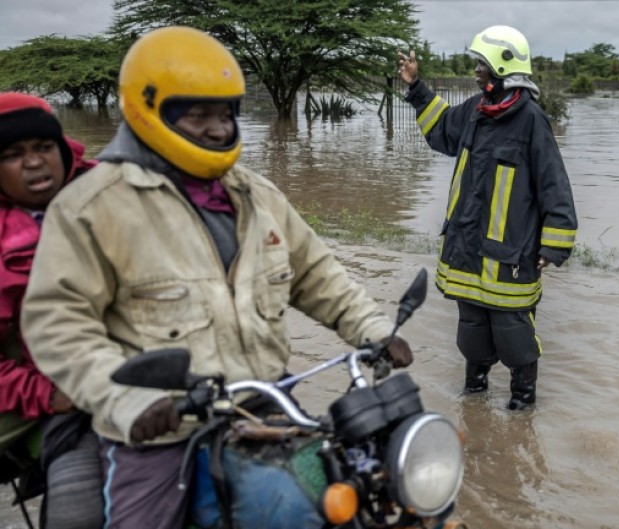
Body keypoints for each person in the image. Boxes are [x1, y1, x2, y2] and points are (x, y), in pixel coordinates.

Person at [21, 27, 413, 529]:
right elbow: (59, 324)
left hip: (266, 407)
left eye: (225, 113)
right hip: (160, 434)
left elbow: (317, 274)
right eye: (197, 115)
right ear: (147, 110)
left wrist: (374, 330)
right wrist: (128, 401)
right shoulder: (91, 207)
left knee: (351, 501)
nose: (216, 128)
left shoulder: (258, 195)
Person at [398, 25, 577, 411]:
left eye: (482, 64)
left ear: (502, 66)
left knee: (515, 337)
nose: (476, 71)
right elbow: (441, 128)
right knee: (472, 333)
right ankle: (474, 403)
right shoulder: (475, 111)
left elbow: (554, 185)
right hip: (466, 249)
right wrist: (415, 87)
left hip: (510, 256)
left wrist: (553, 245)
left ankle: (522, 407)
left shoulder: (531, 120)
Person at [0, 92, 103, 528]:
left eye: (43, 147)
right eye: (12, 155)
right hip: (31, 384)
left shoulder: (110, 192)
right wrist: (46, 394)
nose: (33, 163)